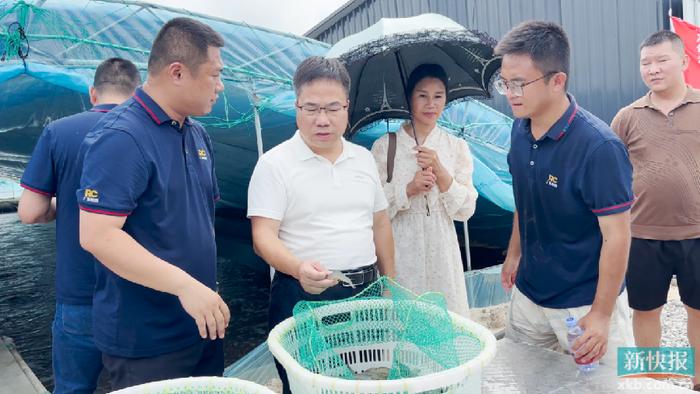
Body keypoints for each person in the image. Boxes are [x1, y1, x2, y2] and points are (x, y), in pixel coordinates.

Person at [76, 18, 228, 389]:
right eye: (215, 75)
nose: (220, 86)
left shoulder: (196, 132)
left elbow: (198, 222)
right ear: (178, 72)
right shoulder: (121, 137)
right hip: (146, 344)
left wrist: (204, 290)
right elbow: (98, 237)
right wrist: (186, 286)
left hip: (201, 324)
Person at [248, 56, 395, 394]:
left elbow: (381, 223)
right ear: (297, 106)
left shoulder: (362, 158)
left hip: (365, 291)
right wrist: (299, 268)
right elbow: (262, 237)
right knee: (306, 385)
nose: (322, 119)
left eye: (332, 108)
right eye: (311, 108)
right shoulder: (275, 164)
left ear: (347, 106)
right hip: (303, 293)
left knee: (366, 381)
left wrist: (388, 283)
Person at [496, 21, 635, 367]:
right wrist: (514, 254)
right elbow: (523, 197)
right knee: (527, 380)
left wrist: (602, 315)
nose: (510, 92)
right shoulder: (518, 128)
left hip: (583, 302)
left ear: (557, 81)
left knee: (606, 387)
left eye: (518, 83)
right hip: (529, 295)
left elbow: (617, 237)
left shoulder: (599, 148)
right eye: (503, 82)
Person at [17, 58, 140, 394]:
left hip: (79, 293)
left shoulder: (58, 132)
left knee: (73, 387)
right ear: (137, 92)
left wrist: (66, 205)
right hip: (140, 294)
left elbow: (29, 212)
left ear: (92, 93)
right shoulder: (152, 134)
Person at [611, 30, 700, 388]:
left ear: (683, 61)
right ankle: (652, 378)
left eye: (662, 60)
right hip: (643, 234)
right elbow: (609, 172)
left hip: (697, 232)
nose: (653, 69)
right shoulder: (627, 116)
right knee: (645, 310)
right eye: (646, 62)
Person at [370, 64, 478, 317]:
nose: (431, 104)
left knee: (448, 321)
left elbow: (466, 209)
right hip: (401, 248)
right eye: (422, 95)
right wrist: (408, 189)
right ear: (409, 98)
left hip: (443, 246)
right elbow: (371, 209)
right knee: (404, 323)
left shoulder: (456, 146)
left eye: (438, 96)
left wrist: (440, 171)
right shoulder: (385, 147)